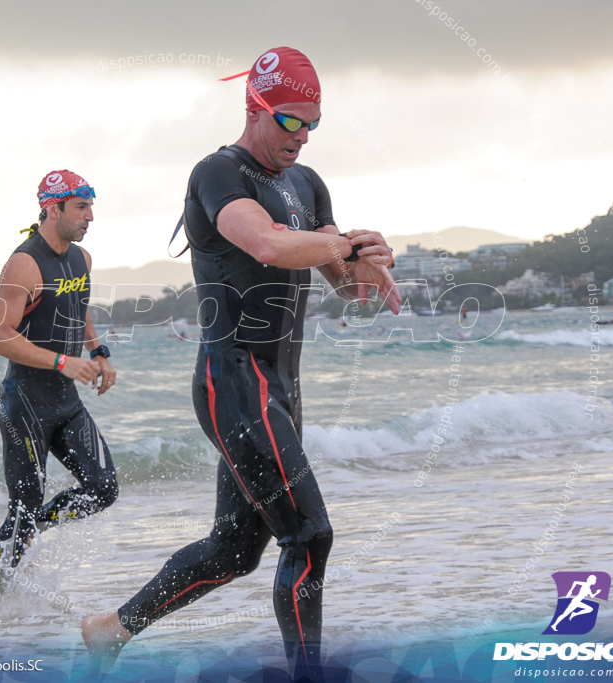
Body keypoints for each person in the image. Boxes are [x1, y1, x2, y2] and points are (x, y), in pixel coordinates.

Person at [82, 47, 401, 681]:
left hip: (282, 386)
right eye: (289, 120)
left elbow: (339, 281)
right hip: (233, 381)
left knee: (235, 550)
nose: (302, 135)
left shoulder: (308, 184)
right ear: (254, 107)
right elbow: (265, 242)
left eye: (312, 122)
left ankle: (109, 631)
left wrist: (366, 260)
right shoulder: (218, 174)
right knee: (309, 535)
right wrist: (340, 245)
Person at [0, 170, 118, 574]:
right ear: (52, 208)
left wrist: (98, 352)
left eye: (91, 206)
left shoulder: (82, 258)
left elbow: (78, 310)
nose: (90, 216)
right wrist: (64, 361)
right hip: (25, 403)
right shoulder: (23, 264)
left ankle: (27, 528)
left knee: (103, 489)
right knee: (23, 506)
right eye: (81, 207)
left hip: (66, 403)